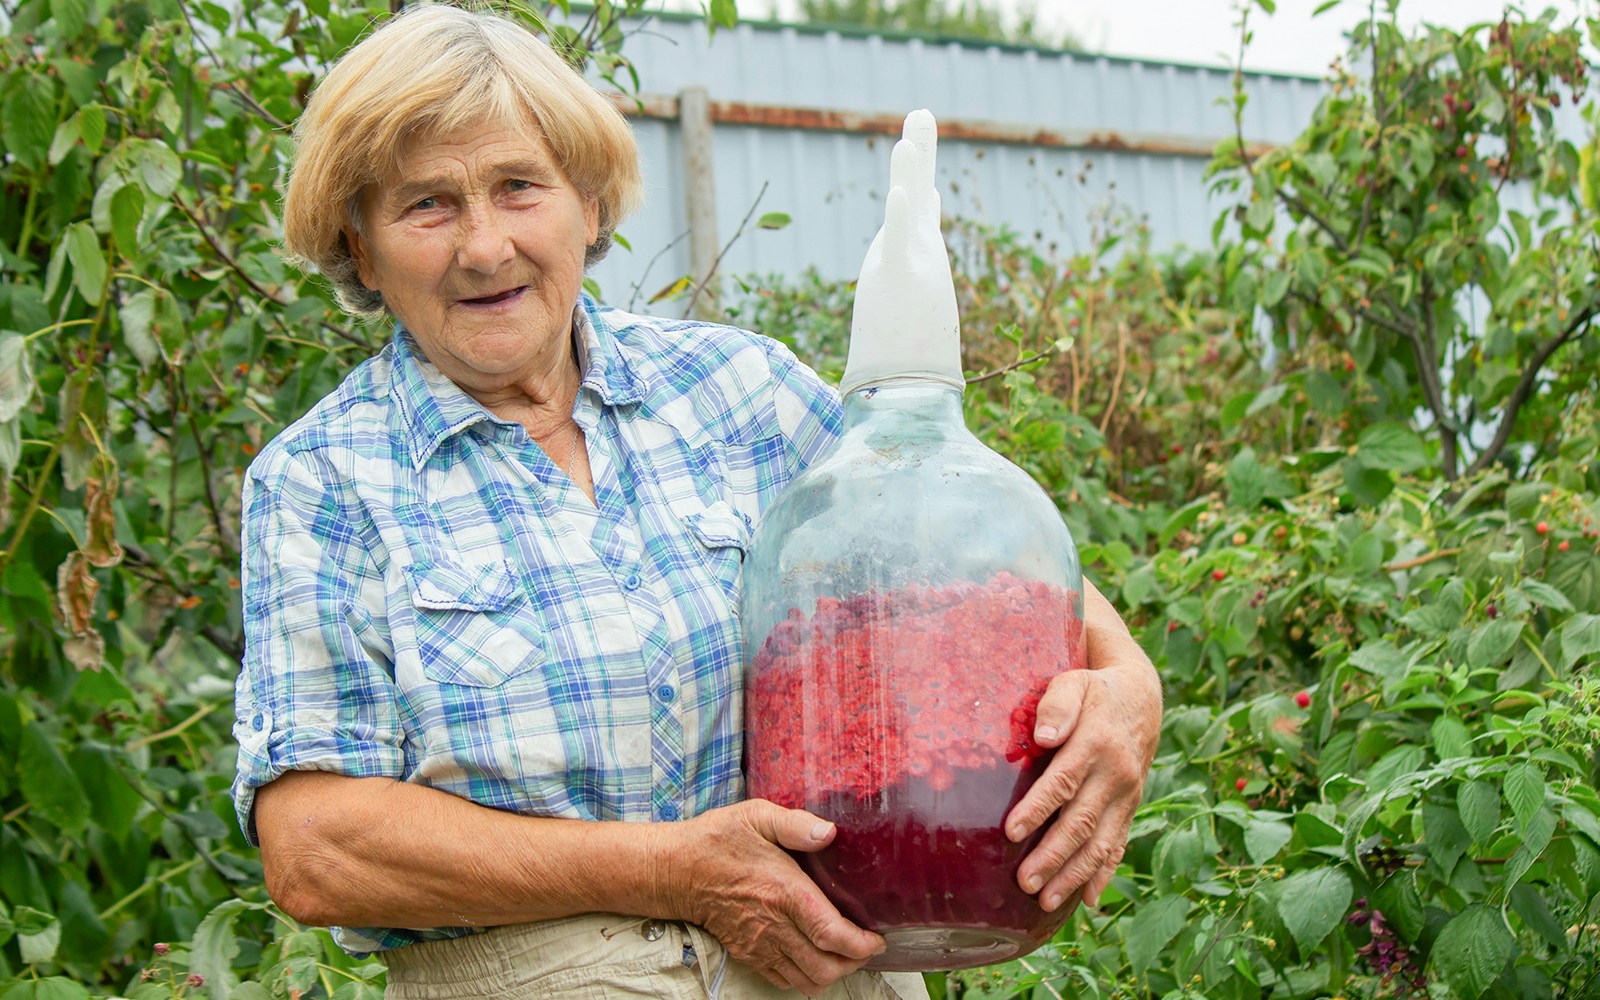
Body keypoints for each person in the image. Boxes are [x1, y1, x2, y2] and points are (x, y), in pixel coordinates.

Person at [230, 5, 1163, 998]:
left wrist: (1129, 696)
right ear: (360, 250)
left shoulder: (741, 393)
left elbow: (993, 578)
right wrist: (671, 866)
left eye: (517, 187)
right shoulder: (323, 480)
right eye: (427, 206)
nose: (486, 245)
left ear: (587, 206)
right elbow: (315, 847)